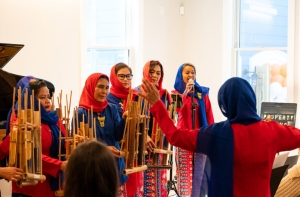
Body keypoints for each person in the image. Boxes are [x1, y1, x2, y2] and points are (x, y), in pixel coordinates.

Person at [139, 77, 300, 197]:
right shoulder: (272, 130)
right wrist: (276, 125)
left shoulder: (217, 134)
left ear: (225, 104)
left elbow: (175, 136)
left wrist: (157, 105)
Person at [0, 80, 67, 197]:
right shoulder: (23, 122)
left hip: (54, 185)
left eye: (48, 97)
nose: (47, 101)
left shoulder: (55, 120)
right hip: (31, 186)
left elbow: (65, 142)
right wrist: (59, 165)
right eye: (42, 97)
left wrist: (75, 145)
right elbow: (29, 155)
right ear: (31, 99)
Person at [77, 73, 128, 196]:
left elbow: (117, 136)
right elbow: (78, 144)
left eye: (106, 87)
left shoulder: (112, 108)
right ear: (90, 87)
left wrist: (125, 120)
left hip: (115, 165)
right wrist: (104, 149)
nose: (104, 91)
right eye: (100, 86)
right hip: (93, 167)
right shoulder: (80, 113)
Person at [172, 63, 214, 196]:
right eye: (187, 72)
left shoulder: (202, 93)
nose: (191, 75)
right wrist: (185, 93)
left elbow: (209, 116)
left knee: (200, 176)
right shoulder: (175, 94)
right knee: (185, 176)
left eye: (193, 72)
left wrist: (211, 136)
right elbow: (176, 111)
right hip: (183, 139)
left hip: (200, 139)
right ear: (181, 75)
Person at [135, 60, 171, 197]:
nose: (155, 76)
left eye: (158, 73)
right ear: (145, 73)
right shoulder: (136, 93)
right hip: (140, 145)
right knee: (142, 184)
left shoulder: (165, 95)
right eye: (152, 72)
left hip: (159, 144)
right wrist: (144, 136)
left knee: (158, 185)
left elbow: (167, 116)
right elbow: (132, 118)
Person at [106, 63, 143, 197]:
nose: (126, 79)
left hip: (135, 147)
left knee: (134, 186)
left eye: (128, 76)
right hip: (119, 148)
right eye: (121, 76)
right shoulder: (108, 100)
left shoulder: (136, 96)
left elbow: (143, 120)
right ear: (114, 77)